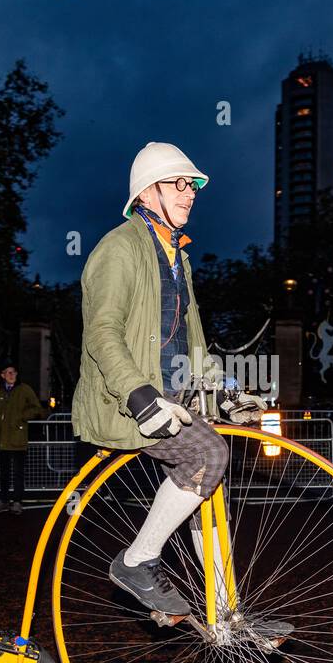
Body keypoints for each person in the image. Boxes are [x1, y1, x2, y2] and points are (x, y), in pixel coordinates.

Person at [73, 141, 271, 626]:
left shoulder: (177, 260)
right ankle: (137, 560)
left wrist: (227, 389)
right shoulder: (118, 249)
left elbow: (194, 345)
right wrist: (139, 395)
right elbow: (102, 333)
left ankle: (227, 615)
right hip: (126, 404)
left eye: (192, 185)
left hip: (174, 398)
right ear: (146, 194)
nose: (190, 192)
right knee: (209, 456)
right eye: (178, 183)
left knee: (209, 485)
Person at [0, 363, 46, 514]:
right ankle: (4, 500)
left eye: (13, 372)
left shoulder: (25, 389)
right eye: (8, 372)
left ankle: (17, 501)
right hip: (2, 439)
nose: (11, 375)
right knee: (4, 473)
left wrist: (22, 417)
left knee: (18, 473)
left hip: (18, 438)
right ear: (2, 375)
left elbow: (37, 408)